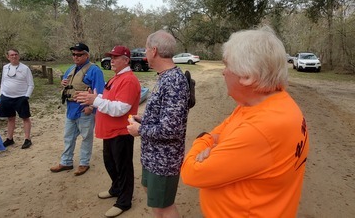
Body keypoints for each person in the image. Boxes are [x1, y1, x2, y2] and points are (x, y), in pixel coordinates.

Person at [180, 28, 310, 218]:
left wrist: (204, 140)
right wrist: (218, 142)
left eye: (227, 65)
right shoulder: (270, 102)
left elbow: (192, 172)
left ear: (247, 76)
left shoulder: (261, 127)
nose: (223, 72)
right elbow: (225, 127)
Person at [127, 30, 190, 218]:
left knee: (164, 207)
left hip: (164, 160)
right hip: (153, 156)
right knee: (154, 200)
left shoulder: (174, 81)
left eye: (146, 49)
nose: (144, 53)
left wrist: (140, 129)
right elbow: (164, 118)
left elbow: (170, 129)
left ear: (153, 51)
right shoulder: (164, 77)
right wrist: (144, 119)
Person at [76, 45, 141, 218]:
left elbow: (121, 109)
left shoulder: (129, 80)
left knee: (123, 167)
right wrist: (95, 98)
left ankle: (124, 201)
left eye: (116, 57)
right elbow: (109, 99)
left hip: (121, 132)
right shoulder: (116, 78)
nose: (111, 60)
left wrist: (95, 101)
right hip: (110, 131)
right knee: (110, 163)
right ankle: (116, 188)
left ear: (126, 60)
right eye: (111, 57)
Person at [50, 43, 104, 176]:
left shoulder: (95, 71)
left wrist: (91, 107)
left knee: (86, 137)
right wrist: (62, 84)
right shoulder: (70, 69)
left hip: (84, 110)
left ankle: (84, 163)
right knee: (68, 137)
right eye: (74, 54)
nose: (76, 57)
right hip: (71, 109)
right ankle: (66, 161)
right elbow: (67, 87)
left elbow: (100, 92)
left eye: (79, 54)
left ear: (87, 55)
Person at [0, 49, 35, 149]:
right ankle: (9, 139)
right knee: (10, 118)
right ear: (8, 57)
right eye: (12, 55)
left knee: (25, 118)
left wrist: (26, 96)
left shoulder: (25, 68)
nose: (14, 57)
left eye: (16, 55)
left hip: (20, 97)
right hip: (6, 96)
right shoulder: (5, 67)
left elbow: (31, 84)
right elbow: (3, 81)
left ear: (19, 56)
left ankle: (27, 139)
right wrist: (1, 93)